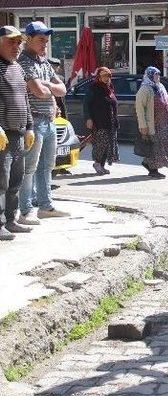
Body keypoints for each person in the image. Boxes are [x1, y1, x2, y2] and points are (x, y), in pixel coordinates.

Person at [17, 21, 69, 224]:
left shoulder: (43, 62)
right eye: (41, 40)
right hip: (34, 122)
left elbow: (63, 89)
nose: (45, 44)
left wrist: (45, 85)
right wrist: (48, 88)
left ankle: (45, 206)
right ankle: (25, 211)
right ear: (28, 39)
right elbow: (38, 92)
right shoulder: (24, 62)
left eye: (46, 41)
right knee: (29, 167)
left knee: (47, 166)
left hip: (49, 120)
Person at [0, 26, 35, 240]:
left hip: (18, 135)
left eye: (18, 42)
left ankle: (11, 221)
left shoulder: (17, 68)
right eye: (11, 42)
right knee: (0, 182)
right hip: (2, 136)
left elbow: (25, 101)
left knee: (15, 180)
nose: (16, 46)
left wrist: (30, 126)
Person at [135, 66, 168, 179]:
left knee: (162, 146)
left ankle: (148, 163)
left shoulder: (160, 86)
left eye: (158, 74)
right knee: (155, 147)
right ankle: (153, 169)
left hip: (164, 123)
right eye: (156, 74)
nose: (158, 76)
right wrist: (143, 125)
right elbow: (140, 108)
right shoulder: (145, 89)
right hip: (153, 124)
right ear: (150, 75)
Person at [83, 66, 119, 175]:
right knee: (100, 143)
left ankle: (102, 165)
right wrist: (88, 118)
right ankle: (97, 163)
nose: (107, 78)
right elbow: (86, 104)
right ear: (99, 76)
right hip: (99, 121)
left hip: (110, 121)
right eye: (104, 75)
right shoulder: (94, 88)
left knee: (108, 144)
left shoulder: (110, 87)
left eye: (108, 75)